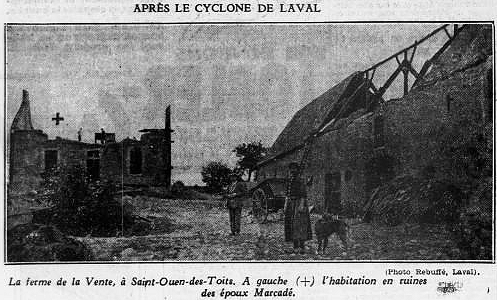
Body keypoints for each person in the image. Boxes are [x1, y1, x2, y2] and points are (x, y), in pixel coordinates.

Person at [285, 162, 312, 253]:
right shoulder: (290, 180)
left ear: (297, 170)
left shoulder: (300, 180)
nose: (292, 170)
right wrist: (286, 204)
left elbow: (303, 194)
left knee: (300, 225)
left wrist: (301, 205)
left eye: (294, 169)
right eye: (291, 169)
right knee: (291, 225)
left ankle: (302, 246)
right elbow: (287, 194)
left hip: (299, 203)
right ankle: (295, 246)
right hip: (291, 204)